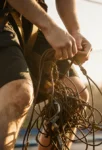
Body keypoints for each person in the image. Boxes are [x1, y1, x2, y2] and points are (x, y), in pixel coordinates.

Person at [0, 0, 92, 149]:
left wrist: (75, 32)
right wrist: (49, 26)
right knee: (18, 92)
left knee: (75, 94)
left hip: (32, 20)